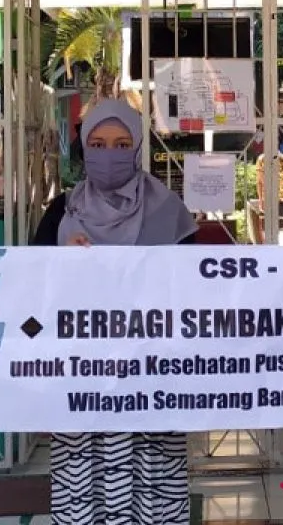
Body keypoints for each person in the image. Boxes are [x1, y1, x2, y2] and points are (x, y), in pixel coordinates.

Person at [32, 98, 198, 525]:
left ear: (138, 147)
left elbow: (194, 295)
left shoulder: (169, 211)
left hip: (152, 380)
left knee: (153, 492)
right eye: (99, 144)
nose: (110, 154)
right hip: (82, 382)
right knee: (83, 492)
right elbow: (30, 293)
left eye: (122, 144)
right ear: (85, 148)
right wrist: (59, 263)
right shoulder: (61, 213)